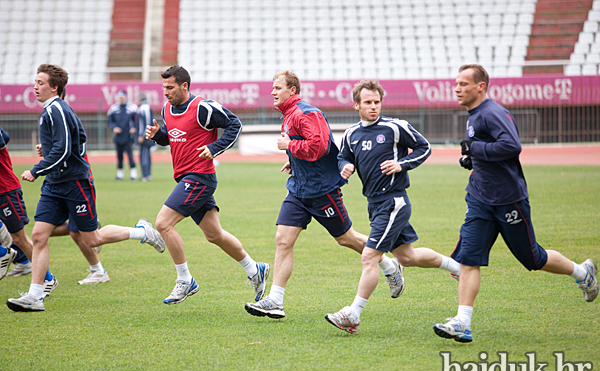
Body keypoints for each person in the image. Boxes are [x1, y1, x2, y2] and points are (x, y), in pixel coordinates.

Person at [433, 64, 598, 343]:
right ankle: (463, 322)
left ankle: (583, 273)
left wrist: (476, 149)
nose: (457, 88)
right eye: (456, 83)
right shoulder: (473, 114)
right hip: (479, 198)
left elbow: (511, 146)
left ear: (481, 86)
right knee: (469, 260)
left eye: (463, 84)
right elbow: (487, 150)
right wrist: (472, 160)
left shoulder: (492, 113)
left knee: (533, 259)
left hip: (508, 200)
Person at [244, 71, 404, 320]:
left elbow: (318, 147)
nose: (273, 92)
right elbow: (304, 147)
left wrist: (290, 148)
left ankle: (389, 264)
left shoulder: (307, 113)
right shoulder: (288, 115)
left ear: (293, 91)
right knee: (283, 239)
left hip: (321, 190)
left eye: (277, 88)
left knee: (346, 239)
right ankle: (276, 300)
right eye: (272, 88)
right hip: (298, 189)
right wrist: (293, 162)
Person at [6, 64, 165, 312]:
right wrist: (46, 152)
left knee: (92, 239)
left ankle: (141, 232)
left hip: (74, 183)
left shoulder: (57, 108)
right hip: (54, 184)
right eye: (35, 82)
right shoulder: (51, 110)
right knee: (38, 235)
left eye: (40, 83)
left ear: (54, 87)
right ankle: (35, 296)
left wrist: (37, 169)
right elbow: (66, 144)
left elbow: (65, 149)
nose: (34, 87)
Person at [324, 80, 462, 334]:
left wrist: (403, 164)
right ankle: (457, 267)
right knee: (407, 257)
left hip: (394, 202)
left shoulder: (395, 127)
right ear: (357, 105)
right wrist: (345, 166)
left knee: (369, 256)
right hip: (374, 204)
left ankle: (352, 314)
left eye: (377, 102)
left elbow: (424, 147)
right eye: (368, 102)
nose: (373, 107)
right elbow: (343, 156)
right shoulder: (352, 134)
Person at [145, 65, 269, 305]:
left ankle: (185, 279)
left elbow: (235, 125)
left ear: (184, 86)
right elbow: (173, 138)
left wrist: (214, 148)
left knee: (163, 223)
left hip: (200, 177)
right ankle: (255, 269)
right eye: (163, 88)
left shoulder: (203, 107)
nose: (166, 92)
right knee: (215, 235)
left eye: (170, 87)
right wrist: (158, 134)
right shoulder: (167, 108)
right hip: (185, 179)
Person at [0, 127, 59, 294]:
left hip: (5, 191)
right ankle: (6, 254)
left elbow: (4, 136)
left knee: (20, 239)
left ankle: (48, 279)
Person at [107, 89, 137, 180]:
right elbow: (110, 120)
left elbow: (136, 120)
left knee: (130, 155)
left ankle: (133, 173)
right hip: (118, 136)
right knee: (119, 156)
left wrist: (134, 128)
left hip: (128, 136)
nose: (121, 99)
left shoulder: (132, 107)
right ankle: (120, 174)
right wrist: (114, 128)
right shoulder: (113, 108)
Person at [135, 92, 154, 182]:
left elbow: (146, 122)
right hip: (145, 134)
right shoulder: (143, 107)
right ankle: (147, 174)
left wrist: (142, 135)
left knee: (144, 155)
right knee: (145, 155)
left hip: (145, 136)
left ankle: (145, 175)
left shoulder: (144, 107)